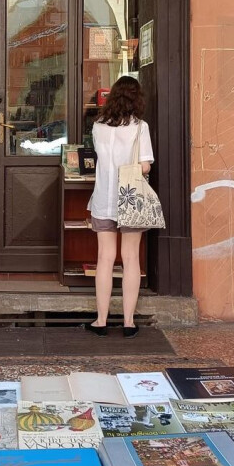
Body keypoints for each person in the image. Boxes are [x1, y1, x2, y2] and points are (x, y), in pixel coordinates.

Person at [85, 75, 153, 338]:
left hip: (103, 197)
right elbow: (145, 165)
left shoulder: (98, 125)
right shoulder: (139, 127)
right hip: (131, 197)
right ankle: (128, 322)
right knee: (131, 259)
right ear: (136, 99)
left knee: (104, 259)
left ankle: (101, 321)